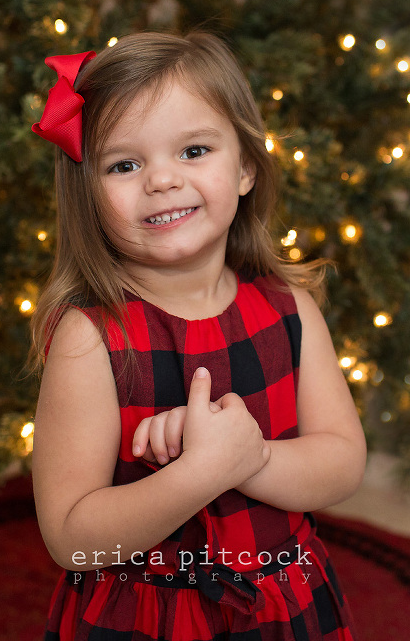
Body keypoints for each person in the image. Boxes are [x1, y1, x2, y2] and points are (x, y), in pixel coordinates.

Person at [29, 31, 367, 641]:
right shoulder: (91, 340)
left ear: (245, 168)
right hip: (148, 616)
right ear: (88, 195)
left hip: (283, 602)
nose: (162, 180)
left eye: (193, 150)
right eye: (124, 165)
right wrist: (200, 471)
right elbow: (71, 541)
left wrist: (248, 457)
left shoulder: (289, 309)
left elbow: (342, 465)